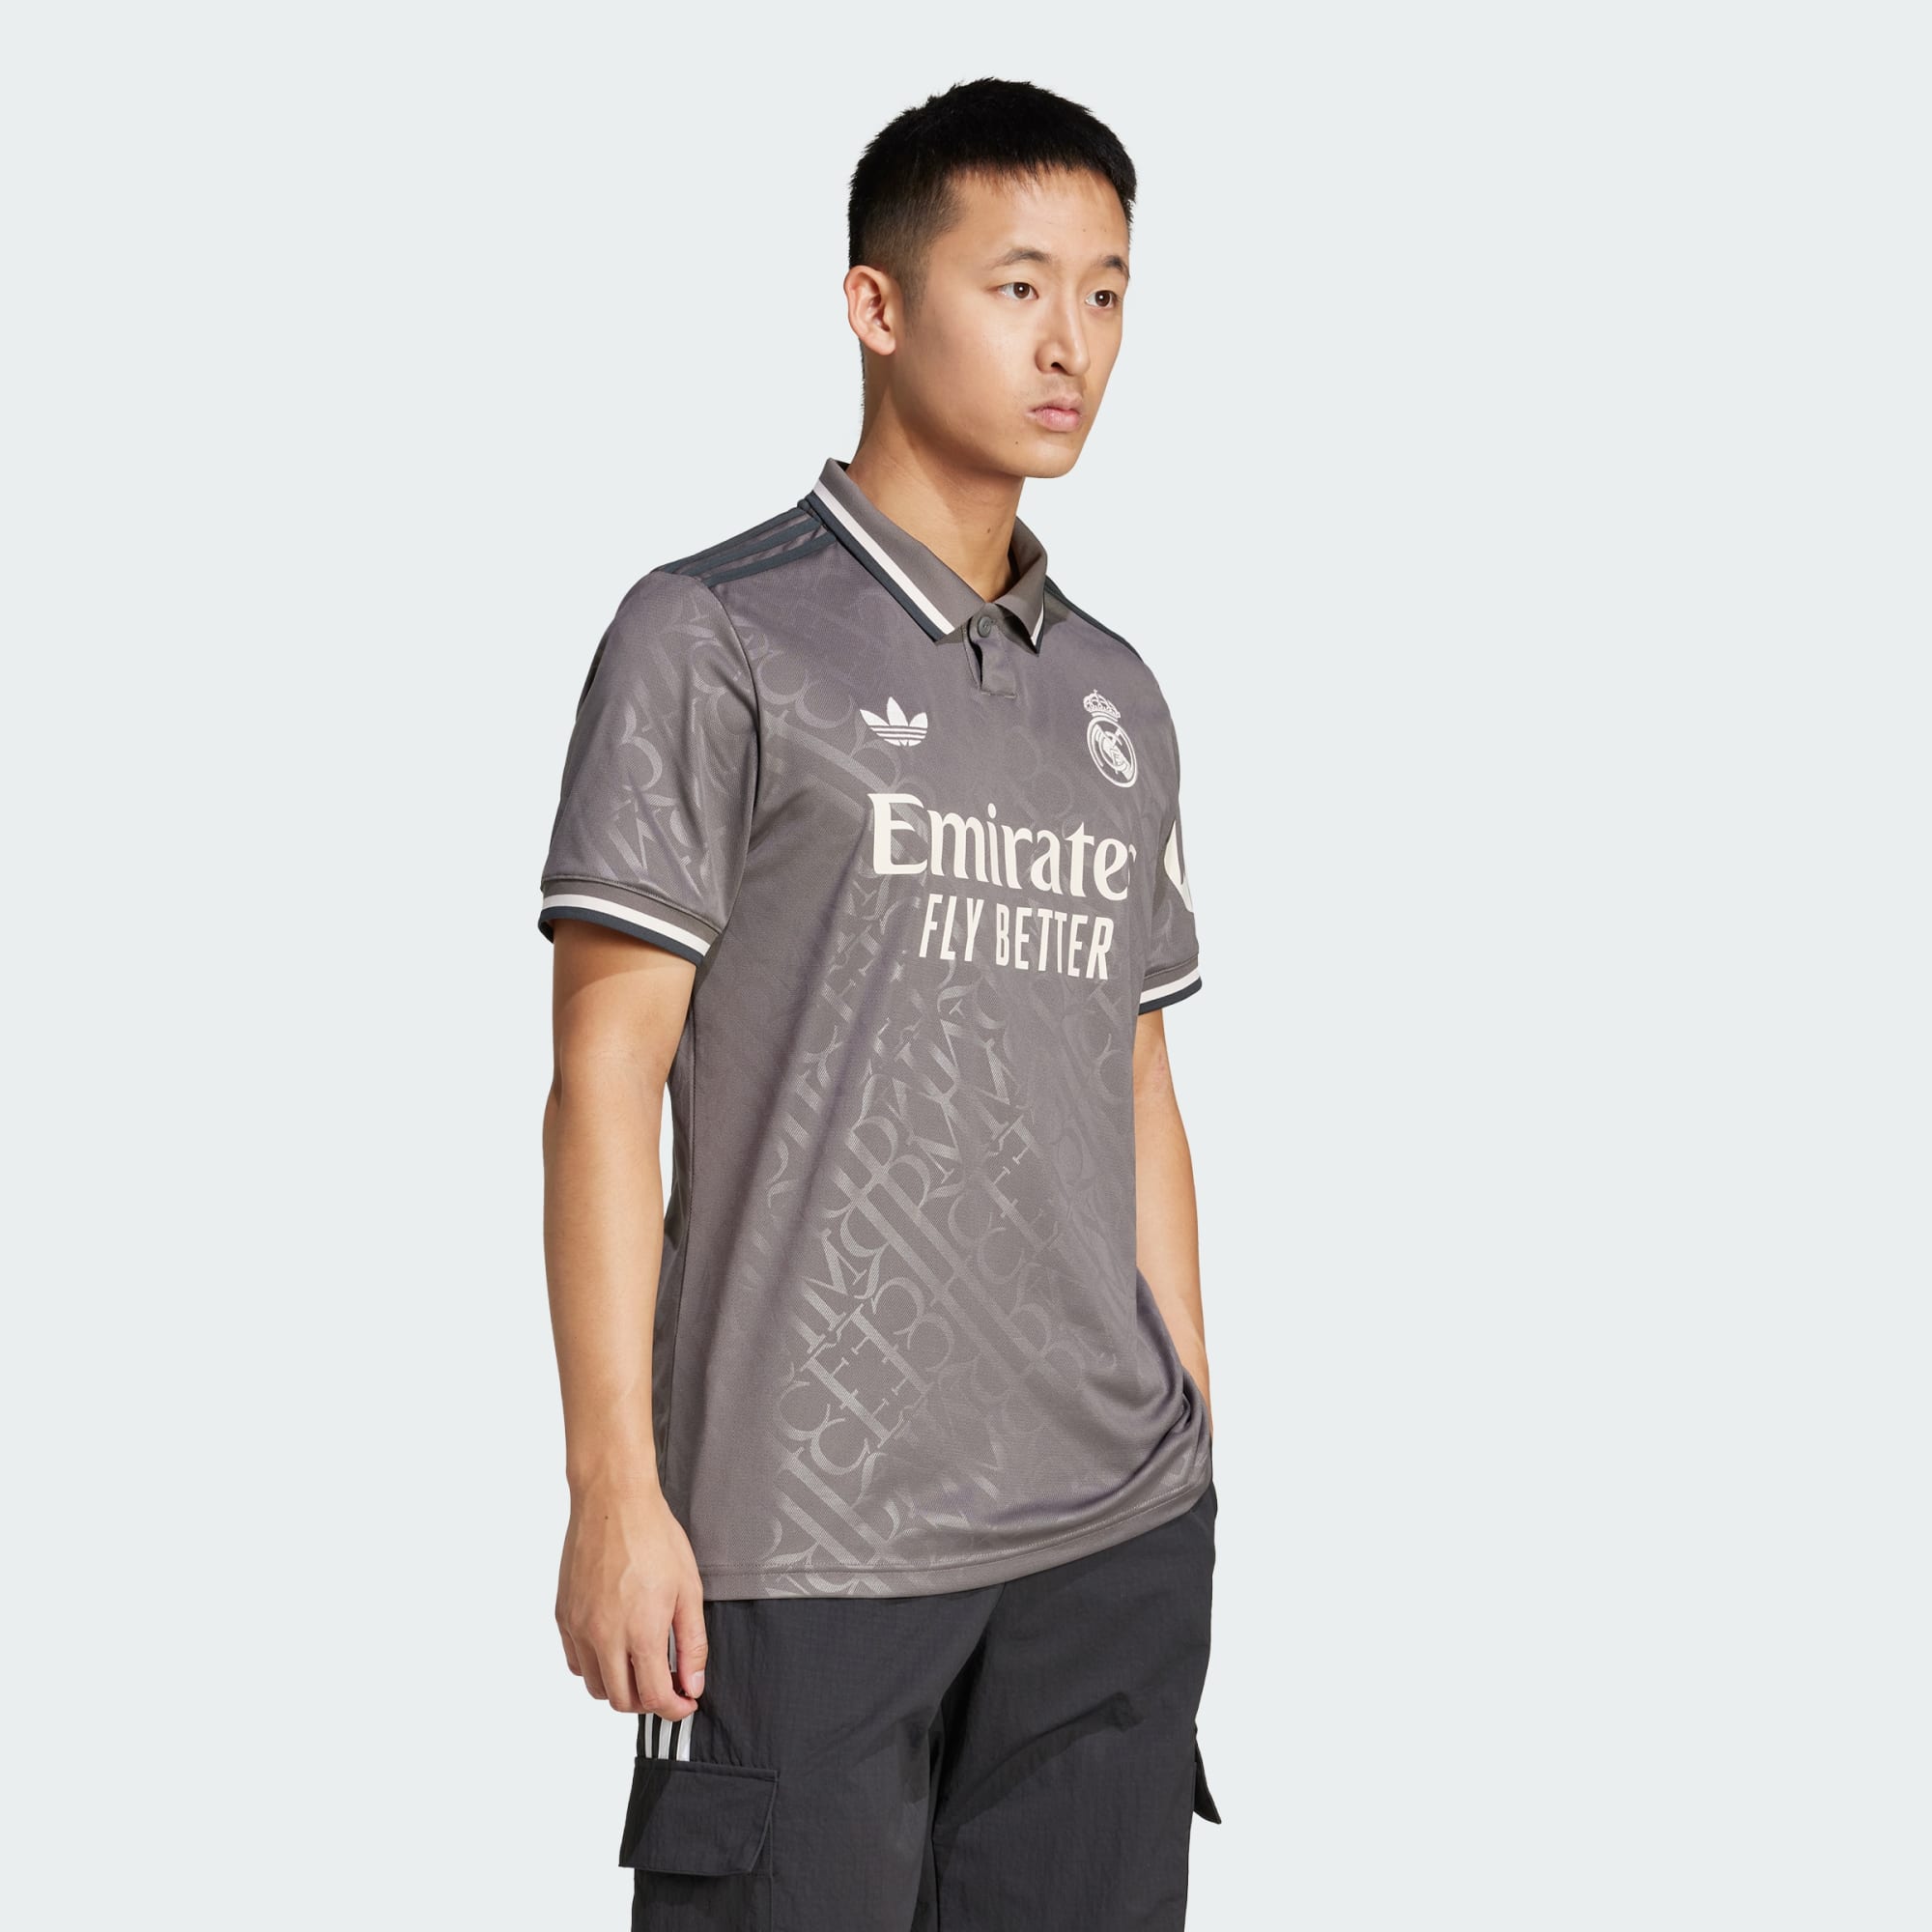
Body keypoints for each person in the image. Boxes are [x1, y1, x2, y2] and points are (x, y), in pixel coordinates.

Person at [537, 75, 1221, 1929]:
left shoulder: (1117, 697)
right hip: (806, 1541)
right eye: (1019, 286)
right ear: (879, 304)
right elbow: (603, 1078)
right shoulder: (713, 636)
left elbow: (1135, 1080)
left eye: (1107, 291)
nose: (1071, 342)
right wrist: (615, 1489)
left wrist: (1196, 1435)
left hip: (1111, 1544)